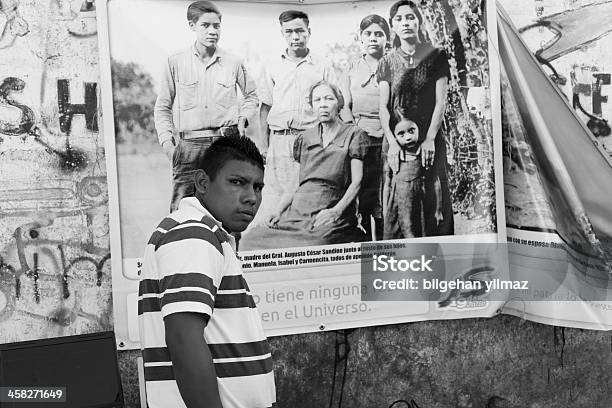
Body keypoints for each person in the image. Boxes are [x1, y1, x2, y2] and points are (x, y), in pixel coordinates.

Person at [138, 136, 275, 408]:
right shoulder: (193, 232)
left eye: (257, 187)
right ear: (202, 182)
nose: (251, 198)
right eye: (237, 182)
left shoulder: (208, 234)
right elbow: (182, 336)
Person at [154, 0, 258, 211]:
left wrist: (243, 118)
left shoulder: (233, 62)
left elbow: (252, 96)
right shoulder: (175, 61)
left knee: (229, 207)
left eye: (217, 26)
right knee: (182, 210)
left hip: (226, 142)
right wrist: (168, 144)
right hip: (189, 146)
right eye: (205, 25)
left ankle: (227, 246)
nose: (212, 31)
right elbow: (162, 107)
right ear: (192, 26)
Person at [241, 81, 368, 250]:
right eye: (317, 100)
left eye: (328, 99)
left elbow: (357, 182)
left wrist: (336, 212)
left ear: (339, 103)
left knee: (313, 245)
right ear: (312, 106)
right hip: (297, 213)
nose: (323, 104)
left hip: (329, 211)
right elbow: (294, 183)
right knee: (249, 240)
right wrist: (278, 211)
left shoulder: (354, 134)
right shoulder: (305, 138)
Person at [377, 0, 454, 236]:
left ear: (419, 21)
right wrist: (391, 142)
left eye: (410, 17)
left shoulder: (436, 55)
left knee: (433, 198)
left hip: (428, 138)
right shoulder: (387, 61)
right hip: (396, 141)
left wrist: (430, 138)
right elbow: (383, 106)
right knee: (398, 203)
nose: (405, 23)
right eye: (399, 19)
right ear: (393, 26)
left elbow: (441, 101)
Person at [255, 9, 336, 225]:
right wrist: (264, 146)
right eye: (289, 32)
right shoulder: (272, 64)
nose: (295, 37)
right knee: (275, 200)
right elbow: (264, 108)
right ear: (282, 33)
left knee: (308, 196)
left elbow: (334, 105)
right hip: (279, 141)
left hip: (311, 140)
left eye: (300, 31)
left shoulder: (322, 65)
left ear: (309, 32)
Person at [339, 14, 390, 240]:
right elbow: (343, 106)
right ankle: (365, 244)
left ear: (387, 38)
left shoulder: (394, 64)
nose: (373, 39)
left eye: (379, 34)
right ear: (361, 38)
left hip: (388, 137)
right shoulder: (350, 68)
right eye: (368, 34)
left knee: (384, 193)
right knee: (363, 194)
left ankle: (386, 245)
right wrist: (355, 131)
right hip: (359, 137)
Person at [384, 113, 423, 239]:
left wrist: (438, 210)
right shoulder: (393, 158)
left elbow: (435, 182)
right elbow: (387, 184)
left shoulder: (423, 155)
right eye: (401, 134)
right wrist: (385, 210)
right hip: (396, 206)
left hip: (417, 205)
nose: (408, 137)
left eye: (411, 131)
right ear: (394, 137)